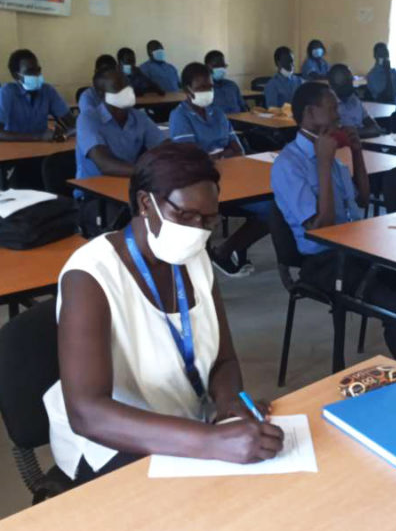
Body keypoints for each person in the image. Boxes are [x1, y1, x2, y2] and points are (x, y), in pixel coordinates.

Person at [45, 142, 285, 485]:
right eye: (185, 216)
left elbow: (224, 359)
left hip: (185, 426)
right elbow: (87, 414)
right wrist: (210, 441)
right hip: (111, 443)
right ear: (147, 204)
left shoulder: (195, 257)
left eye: (208, 219)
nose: (198, 230)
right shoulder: (90, 276)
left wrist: (230, 404)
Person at [271, 83, 396, 370]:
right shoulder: (288, 164)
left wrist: (356, 153)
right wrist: (324, 164)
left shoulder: (331, 152)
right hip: (324, 261)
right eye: (332, 108)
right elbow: (322, 229)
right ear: (310, 112)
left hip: (362, 248)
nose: (339, 114)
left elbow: (363, 198)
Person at [170, 63, 270, 277]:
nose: (208, 92)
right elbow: (191, 158)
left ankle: (227, 249)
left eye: (210, 86)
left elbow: (238, 149)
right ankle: (218, 255)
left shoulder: (218, 113)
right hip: (201, 184)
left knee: (272, 208)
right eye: (201, 87)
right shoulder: (180, 117)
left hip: (233, 178)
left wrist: (214, 155)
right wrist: (221, 153)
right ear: (187, 90)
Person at [75, 55, 166, 234]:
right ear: (102, 95)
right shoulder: (88, 118)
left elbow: (163, 147)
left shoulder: (138, 116)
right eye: (118, 88)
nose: (126, 91)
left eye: (127, 86)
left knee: (171, 209)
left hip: (131, 187)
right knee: (137, 226)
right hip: (95, 196)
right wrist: (150, 171)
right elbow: (105, 164)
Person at [0, 49, 74, 142]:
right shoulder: (6, 93)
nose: (36, 75)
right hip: (13, 149)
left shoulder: (47, 91)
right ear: (16, 76)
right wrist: (39, 137)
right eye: (30, 71)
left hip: (42, 148)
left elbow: (72, 123)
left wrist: (64, 133)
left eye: (38, 70)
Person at [328, 63, 380, 138]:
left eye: (350, 80)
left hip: (363, 144)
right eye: (344, 82)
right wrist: (362, 131)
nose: (350, 85)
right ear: (332, 85)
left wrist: (354, 133)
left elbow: (375, 129)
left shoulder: (354, 100)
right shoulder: (329, 105)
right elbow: (337, 135)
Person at [204, 49, 247, 115]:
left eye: (223, 66)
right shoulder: (202, 89)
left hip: (238, 122)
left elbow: (243, 107)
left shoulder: (232, 85)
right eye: (216, 66)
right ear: (207, 67)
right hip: (217, 123)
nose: (221, 68)